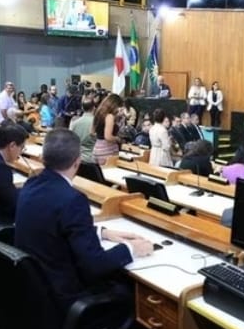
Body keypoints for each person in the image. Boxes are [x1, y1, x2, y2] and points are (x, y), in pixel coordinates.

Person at [14, 129, 153, 312]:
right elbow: (95, 265)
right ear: (77, 162)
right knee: (128, 291)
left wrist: (102, 232)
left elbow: (53, 227)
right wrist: (131, 248)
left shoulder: (31, 185)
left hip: (37, 288)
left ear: (43, 158)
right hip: (64, 296)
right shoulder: (73, 199)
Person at [91, 93, 124, 165]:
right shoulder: (110, 116)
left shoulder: (98, 113)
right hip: (108, 150)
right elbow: (108, 137)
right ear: (115, 105)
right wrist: (118, 139)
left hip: (97, 148)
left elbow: (92, 132)